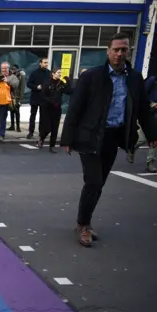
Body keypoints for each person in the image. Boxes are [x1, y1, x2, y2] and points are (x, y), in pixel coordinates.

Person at [60, 32, 157, 247]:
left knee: (99, 183)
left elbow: (142, 108)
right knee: (93, 181)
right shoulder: (92, 76)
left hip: (114, 137)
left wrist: (152, 136)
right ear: (108, 51)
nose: (120, 54)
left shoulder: (134, 78)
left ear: (128, 52)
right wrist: (67, 138)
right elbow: (75, 108)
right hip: (91, 136)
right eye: (116, 50)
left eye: (124, 50)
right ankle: (83, 225)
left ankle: (84, 221)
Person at [38, 67, 71, 153]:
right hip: (47, 108)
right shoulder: (47, 83)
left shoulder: (61, 83)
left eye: (60, 73)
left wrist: (68, 82)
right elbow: (43, 95)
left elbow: (68, 91)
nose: (59, 74)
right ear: (53, 73)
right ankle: (42, 138)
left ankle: (52, 146)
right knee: (47, 127)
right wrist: (51, 101)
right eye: (58, 72)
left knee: (55, 127)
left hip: (57, 108)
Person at [26, 58, 51, 139]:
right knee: (33, 115)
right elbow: (28, 84)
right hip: (35, 97)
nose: (46, 64)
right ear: (40, 63)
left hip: (44, 98)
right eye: (45, 63)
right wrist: (36, 87)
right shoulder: (34, 73)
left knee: (43, 117)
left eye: (47, 63)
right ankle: (31, 132)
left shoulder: (49, 73)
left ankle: (41, 133)